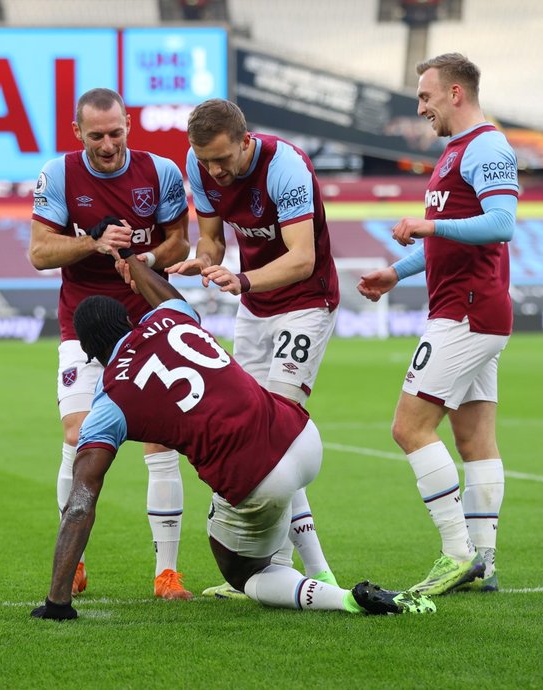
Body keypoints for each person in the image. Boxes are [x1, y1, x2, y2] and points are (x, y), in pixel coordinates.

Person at [31, 247, 436, 620]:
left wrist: (57, 601)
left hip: (257, 478)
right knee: (271, 477)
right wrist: (134, 264)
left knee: (246, 574)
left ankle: (344, 598)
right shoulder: (172, 317)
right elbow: (165, 294)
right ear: (128, 320)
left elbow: (81, 504)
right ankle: (318, 570)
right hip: (302, 436)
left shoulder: (109, 400)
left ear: (88, 353)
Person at [358, 53, 519, 595]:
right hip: (469, 308)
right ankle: (485, 564)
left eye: (426, 97)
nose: (421, 108)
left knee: (409, 428)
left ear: (455, 93)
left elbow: (501, 223)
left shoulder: (487, 145)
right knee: (474, 441)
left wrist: (427, 224)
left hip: (466, 311)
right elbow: (449, 239)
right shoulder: (455, 152)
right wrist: (396, 272)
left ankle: (456, 554)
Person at [167, 98, 341, 599]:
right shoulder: (200, 166)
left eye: (223, 159)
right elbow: (212, 242)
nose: (215, 172)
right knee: (251, 438)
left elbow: (303, 259)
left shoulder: (286, 167)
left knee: (276, 436)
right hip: (255, 309)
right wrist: (201, 262)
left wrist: (241, 280)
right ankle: (276, 570)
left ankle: (311, 569)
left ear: (246, 141)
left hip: (305, 303)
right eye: (206, 162)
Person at [29, 88, 192, 600]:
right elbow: (38, 252)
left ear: (127, 126)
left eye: (115, 132)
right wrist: (93, 242)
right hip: (82, 325)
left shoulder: (160, 171)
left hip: (147, 321)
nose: (107, 144)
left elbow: (180, 241)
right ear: (78, 133)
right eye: (96, 135)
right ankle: (72, 562)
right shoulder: (58, 175)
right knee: (78, 436)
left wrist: (143, 261)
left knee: (160, 440)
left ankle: (167, 573)